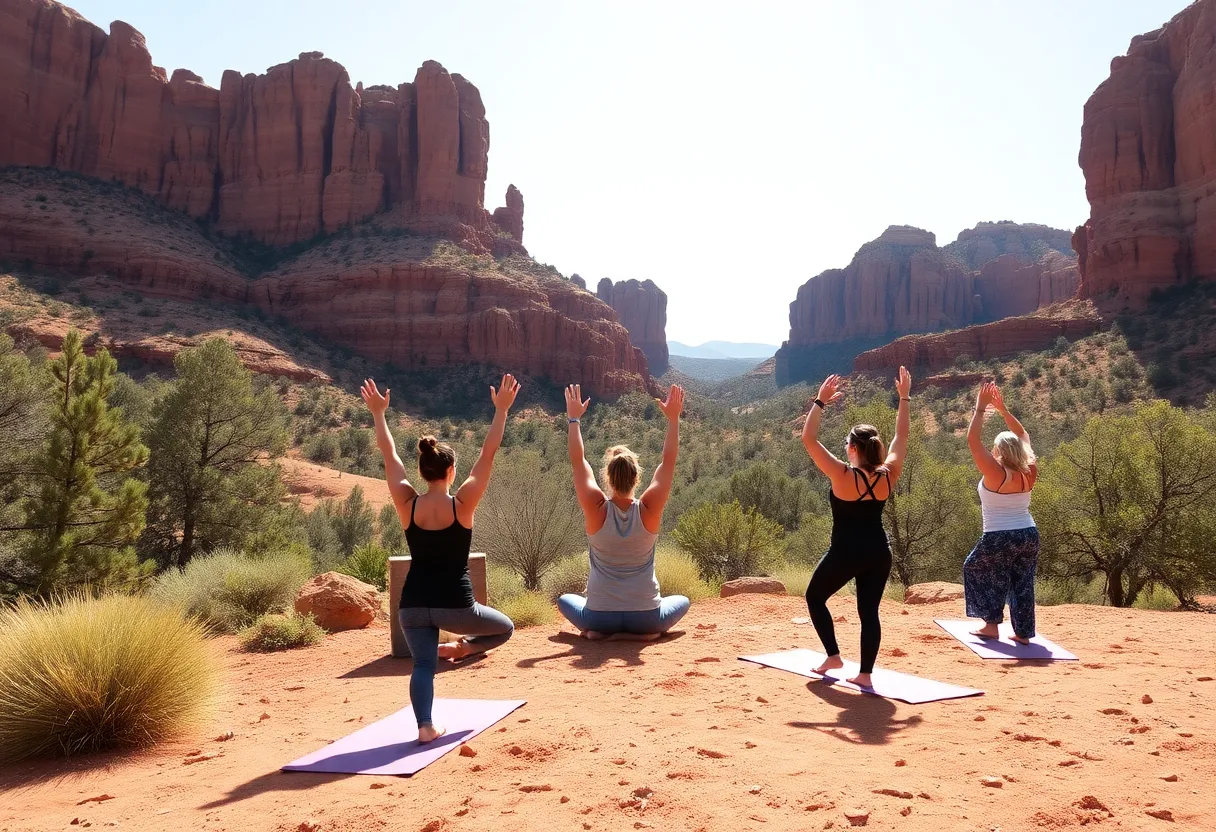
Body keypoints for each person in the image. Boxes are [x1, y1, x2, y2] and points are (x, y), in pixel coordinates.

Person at [362, 374, 520, 743]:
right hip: (456, 607)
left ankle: (425, 728)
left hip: (413, 605)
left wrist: (378, 415)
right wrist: (501, 411)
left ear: (421, 471)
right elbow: (487, 455)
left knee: (422, 666)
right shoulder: (462, 505)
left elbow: (389, 455)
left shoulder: (407, 503)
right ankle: (463, 647)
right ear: (451, 472)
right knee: (506, 628)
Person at [800, 368, 912, 688]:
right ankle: (865, 674)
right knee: (868, 612)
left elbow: (808, 439)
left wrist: (820, 403)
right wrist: (904, 397)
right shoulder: (888, 474)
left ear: (853, 449)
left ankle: (833, 655)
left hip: (846, 553)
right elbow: (901, 437)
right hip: (879, 552)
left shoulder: (843, 475)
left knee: (815, 597)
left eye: (847, 442)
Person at [557, 382, 690, 641]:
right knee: (682, 600)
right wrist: (673, 418)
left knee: (564, 599)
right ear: (637, 477)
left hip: (599, 617)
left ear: (607, 477)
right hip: (646, 617)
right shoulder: (649, 508)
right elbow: (669, 462)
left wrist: (574, 419)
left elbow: (578, 460)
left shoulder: (596, 508)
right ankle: (644, 635)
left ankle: (597, 634)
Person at [963, 381, 1039, 645]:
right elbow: (1023, 433)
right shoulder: (1029, 469)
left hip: (998, 536)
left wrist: (981, 408)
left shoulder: (996, 472)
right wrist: (1003, 409)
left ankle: (991, 624)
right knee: (1022, 582)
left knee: (976, 569)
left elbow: (972, 440)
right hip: (1028, 534)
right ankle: (1023, 634)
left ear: (999, 452)